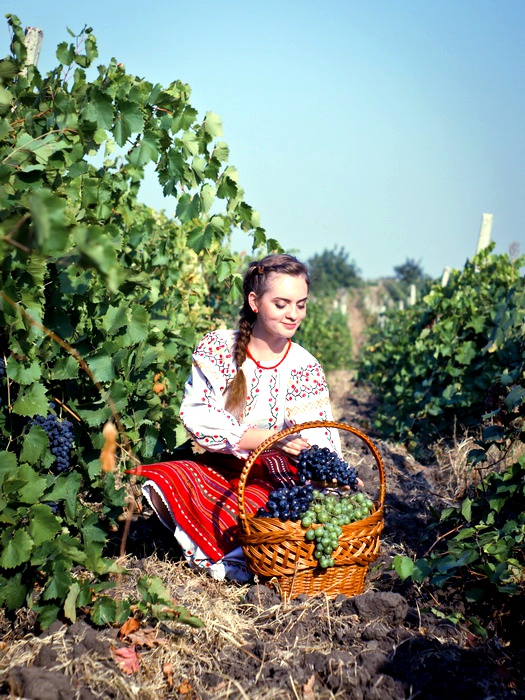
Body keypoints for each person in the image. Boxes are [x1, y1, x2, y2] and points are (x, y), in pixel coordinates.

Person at [127, 253, 342, 582]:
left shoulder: (304, 366)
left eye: (301, 304)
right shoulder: (218, 348)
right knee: (170, 478)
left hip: (270, 474)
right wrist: (274, 439)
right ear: (254, 301)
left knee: (266, 509)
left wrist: (332, 472)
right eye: (282, 303)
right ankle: (223, 548)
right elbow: (200, 421)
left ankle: (242, 555)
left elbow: (315, 437)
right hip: (219, 466)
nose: (293, 314)